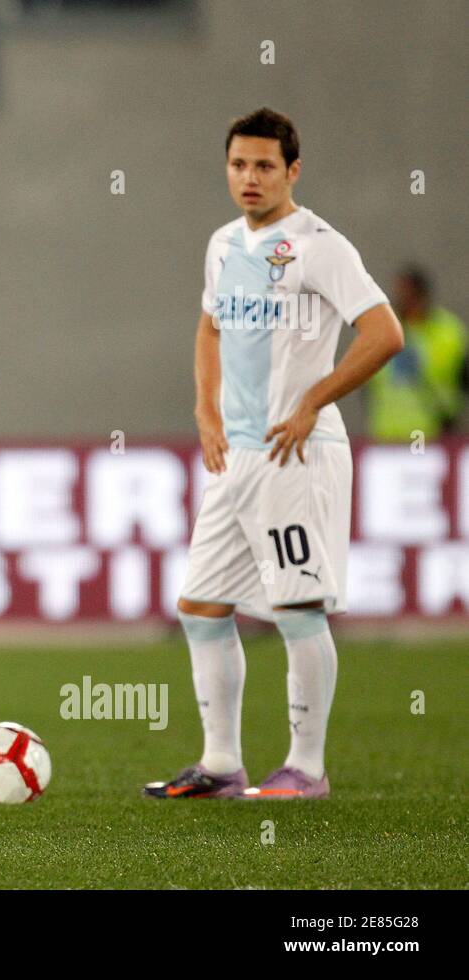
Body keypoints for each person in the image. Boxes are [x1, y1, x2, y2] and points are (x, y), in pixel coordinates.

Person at [145, 108, 403, 801]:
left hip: (298, 453)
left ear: (293, 170)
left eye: (264, 166)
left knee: (295, 609)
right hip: (237, 459)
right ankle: (222, 764)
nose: (249, 178)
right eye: (238, 165)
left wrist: (315, 398)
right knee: (200, 605)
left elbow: (385, 333)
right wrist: (205, 410)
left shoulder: (320, 246)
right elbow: (208, 328)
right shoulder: (223, 244)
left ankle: (307, 770)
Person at [367, 266, 467, 442]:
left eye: (408, 293)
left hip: (432, 434)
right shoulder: (381, 330)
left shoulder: (448, 331)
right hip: (387, 435)